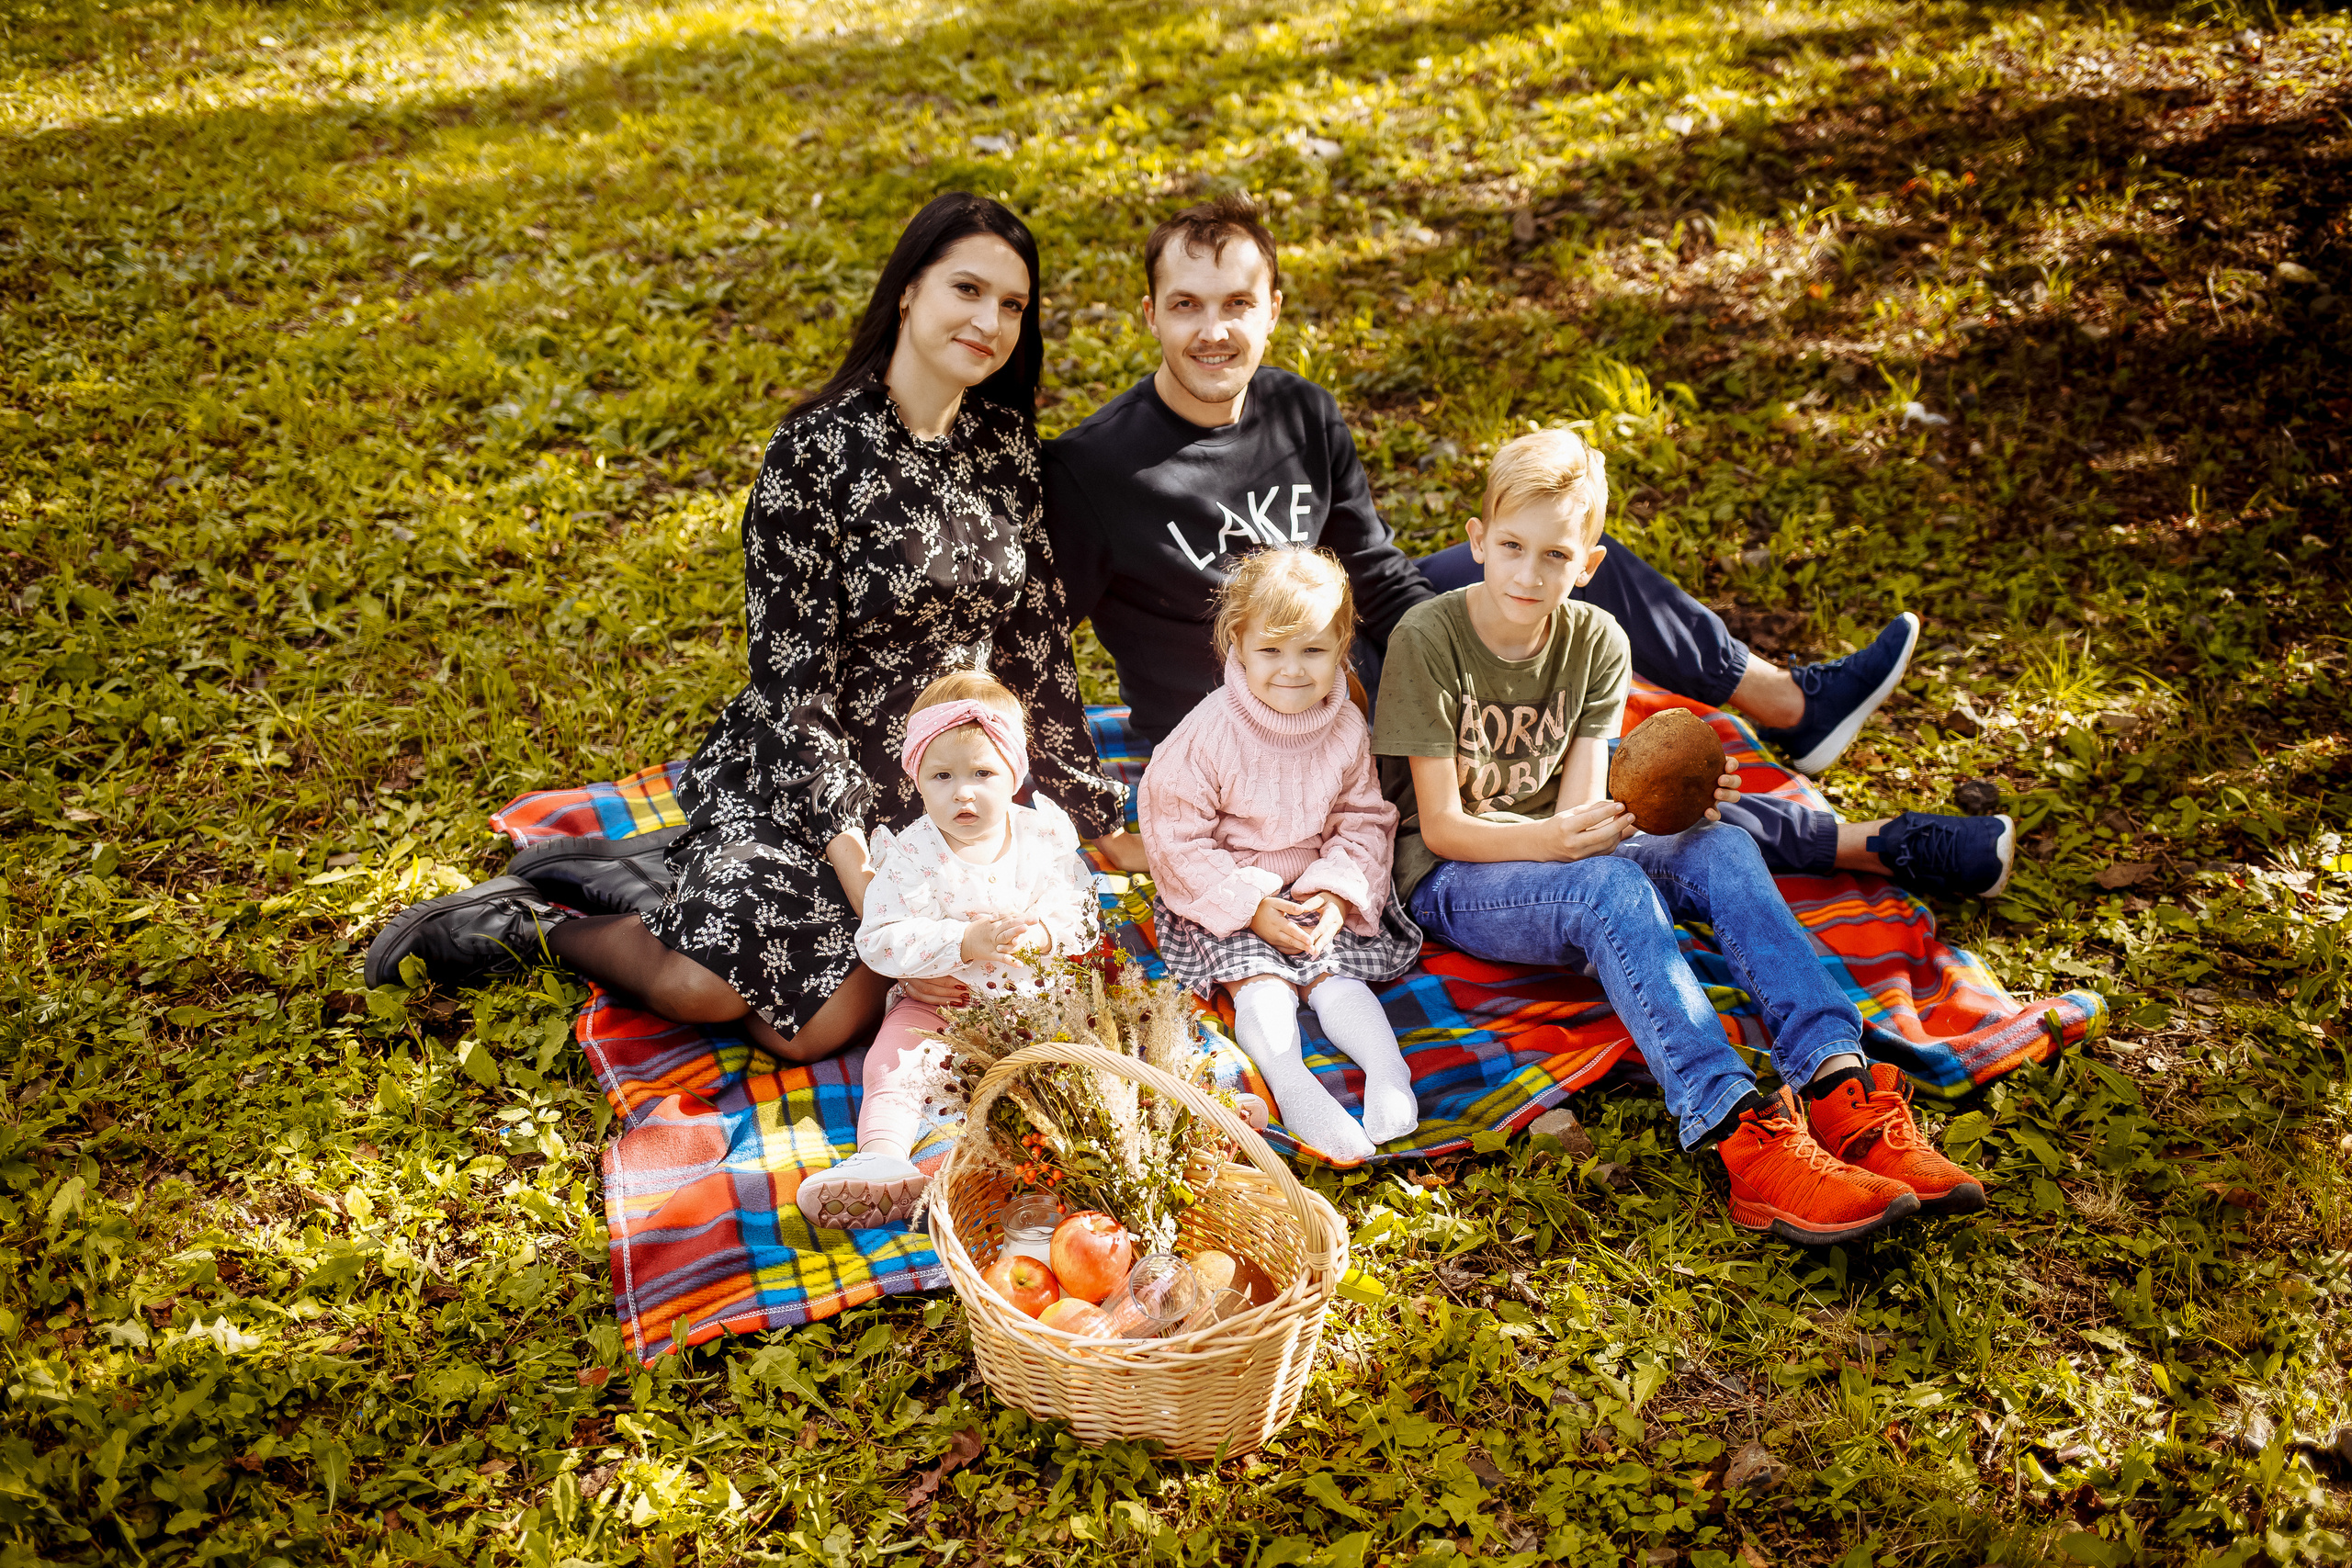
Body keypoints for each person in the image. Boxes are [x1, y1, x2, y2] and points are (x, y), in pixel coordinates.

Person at [1044, 194, 2012, 900]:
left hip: (1363, 653)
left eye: (1236, 305)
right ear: (1150, 316)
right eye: (1186, 306)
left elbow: (1372, 566)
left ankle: (1791, 705)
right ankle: (1859, 841)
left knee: (1547, 560)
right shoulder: (1095, 470)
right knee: (1528, 775)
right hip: (1266, 727)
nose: (1213, 332)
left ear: (1273, 311)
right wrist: (1066, 803)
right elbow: (1040, 650)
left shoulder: (1300, 411)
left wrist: (1459, 642)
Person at [363, 193, 1125, 1072]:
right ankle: (526, 925)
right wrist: (854, 864)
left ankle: (645, 874)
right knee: (707, 990)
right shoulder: (813, 450)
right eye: (967, 288)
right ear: (908, 291)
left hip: (941, 778)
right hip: (806, 776)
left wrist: (1087, 810)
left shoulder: (1004, 446)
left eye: (1013, 305)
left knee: (805, 1030)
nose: (989, 321)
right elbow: (791, 684)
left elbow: (1035, 642)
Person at [1373, 428, 1984, 1245]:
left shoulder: (1597, 641)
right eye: (1511, 546)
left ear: (1588, 565)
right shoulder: (1429, 637)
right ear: (1477, 540)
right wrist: (1560, 843)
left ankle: (1843, 1089)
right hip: (1457, 872)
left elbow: (1590, 804)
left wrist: (1670, 803)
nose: (1528, 573)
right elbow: (1444, 826)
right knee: (1612, 887)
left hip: (1566, 846)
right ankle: (1742, 1132)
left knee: (1724, 844)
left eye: (1555, 555)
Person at [1138, 548, 1421, 1162]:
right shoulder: (1207, 736)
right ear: (1236, 644)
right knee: (1260, 982)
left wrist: (1334, 895)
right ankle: (1296, 1088)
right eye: (1272, 650)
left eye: (1314, 651)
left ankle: (1386, 1070)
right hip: (1233, 887)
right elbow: (1176, 836)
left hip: (1312, 883)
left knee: (1334, 976)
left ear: (1343, 644)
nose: (1292, 670)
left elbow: (1363, 816)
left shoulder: (1345, 727)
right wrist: (1250, 905)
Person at [798, 671, 1099, 1228]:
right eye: (941, 776)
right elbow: (880, 938)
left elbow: (1082, 911)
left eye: (982, 773)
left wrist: (1047, 935)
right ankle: (882, 1158)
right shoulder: (914, 853)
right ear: (916, 781)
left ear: (1014, 774)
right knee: (896, 1060)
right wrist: (959, 941)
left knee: (1082, 1064)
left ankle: (1135, 1135)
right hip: (940, 1003)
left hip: (1033, 1004)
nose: (962, 791)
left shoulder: (1041, 840)